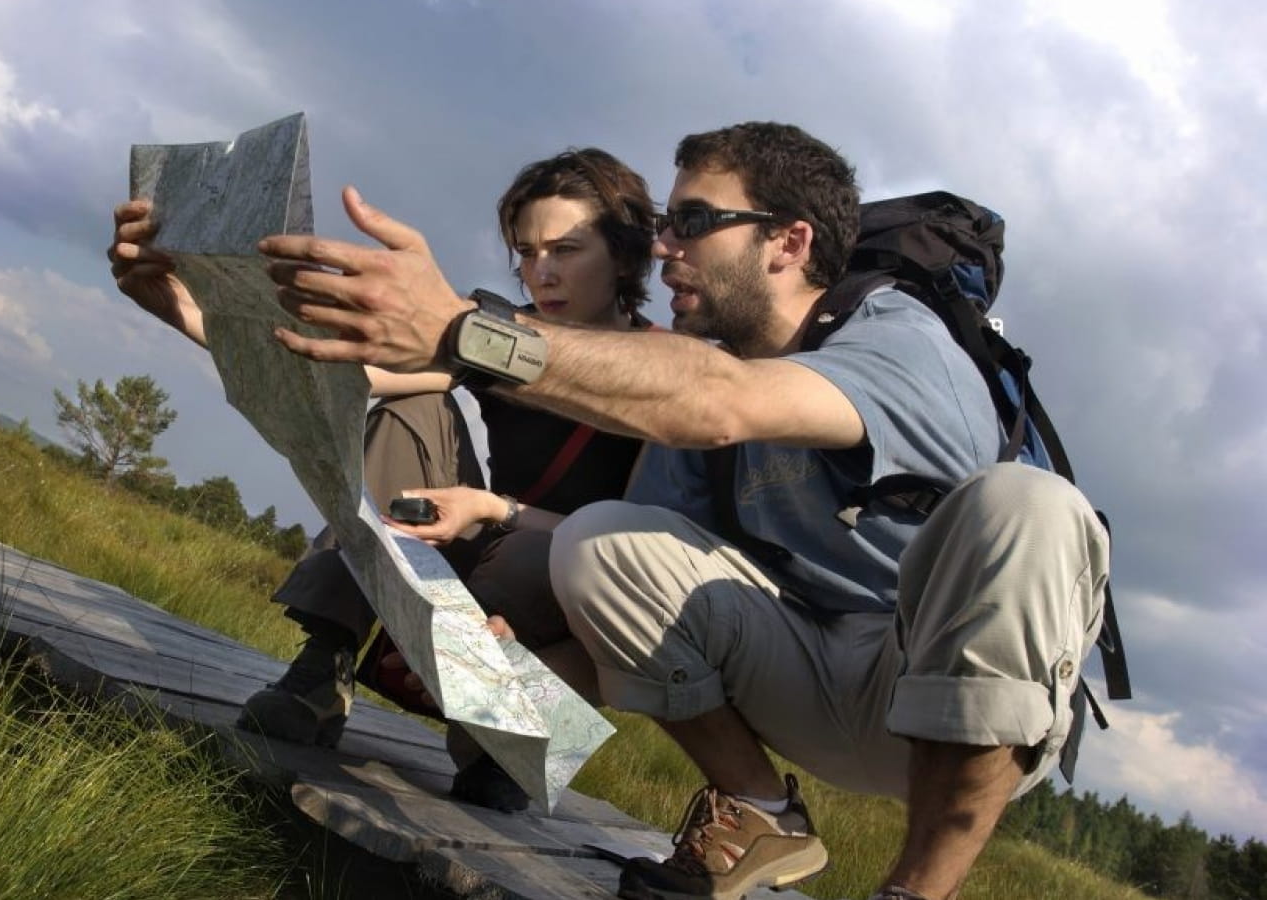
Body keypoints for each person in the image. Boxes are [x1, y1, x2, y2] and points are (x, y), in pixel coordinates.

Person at [255, 122, 1110, 900]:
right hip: (801, 669)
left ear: (789, 240)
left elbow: (717, 403)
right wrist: (518, 660)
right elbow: (633, 553)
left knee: (1028, 507)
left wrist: (460, 328)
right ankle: (760, 809)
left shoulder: (896, 339)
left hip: (936, 683)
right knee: (598, 541)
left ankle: (917, 892)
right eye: (666, 223)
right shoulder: (708, 361)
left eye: (692, 223)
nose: (663, 247)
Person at [109, 148, 659, 813]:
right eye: (525, 252)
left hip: (566, 594)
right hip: (474, 552)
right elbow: (355, 377)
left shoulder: (665, 375)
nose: (541, 272)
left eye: (565, 249)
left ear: (625, 256)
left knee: (542, 577)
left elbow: (640, 546)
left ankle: (504, 736)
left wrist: (493, 506)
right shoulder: (498, 334)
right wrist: (180, 308)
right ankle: (323, 666)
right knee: (411, 409)